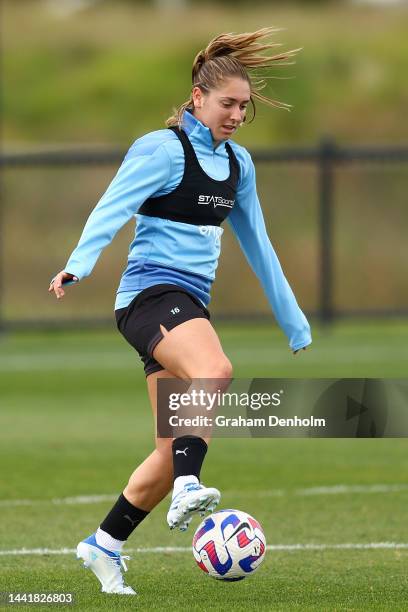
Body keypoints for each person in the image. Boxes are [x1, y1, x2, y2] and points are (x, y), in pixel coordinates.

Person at [49, 28, 311, 596]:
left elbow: (259, 246)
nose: (238, 114)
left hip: (187, 303)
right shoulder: (162, 148)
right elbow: (112, 205)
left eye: (246, 106)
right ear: (197, 97)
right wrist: (78, 264)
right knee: (215, 372)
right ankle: (193, 484)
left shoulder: (239, 166)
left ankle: (104, 544)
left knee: (170, 450)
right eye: (228, 104)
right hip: (148, 298)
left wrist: (293, 321)